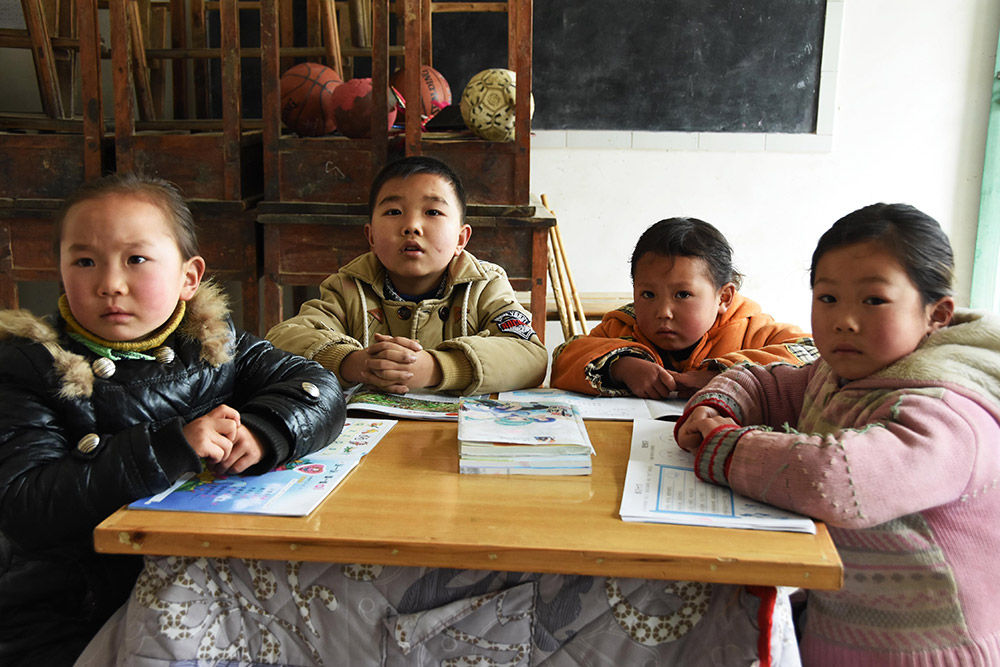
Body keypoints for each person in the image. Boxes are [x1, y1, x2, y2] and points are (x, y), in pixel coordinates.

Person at [0, 173, 346, 667]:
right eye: (84, 261)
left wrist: (268, 429)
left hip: (208, 589)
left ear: (189, 277)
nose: (110, 284)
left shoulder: (210, 343)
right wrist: (170, 446)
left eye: (136, 259)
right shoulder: (33, 366)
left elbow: (315, 383)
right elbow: (25, 504)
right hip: (77, 613)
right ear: (60, 272)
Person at [675, 203, 1000, 665]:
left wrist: (723, 445)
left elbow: (836, 479)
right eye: (827, 299)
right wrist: (714, 405)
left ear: (938, 315)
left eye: (873, 301)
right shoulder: (839, 372)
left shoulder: (952, 411)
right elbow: (765, 382)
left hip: (923, 648)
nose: (844, 320)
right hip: (835, 626)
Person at [266, 155, 548, 395]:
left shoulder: (485, 286)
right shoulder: (348, 287)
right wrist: (352, 362)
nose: (412, 226)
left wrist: (438, 368)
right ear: (371, 236)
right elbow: (281, 340)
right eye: (394, 211)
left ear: (461, 238)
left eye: (433, 212)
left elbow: (531, 357)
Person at [550, 217, 815, 398]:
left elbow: (813, 356)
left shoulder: (753, 330)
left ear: (723, 298)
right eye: (648, 294)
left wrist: (723, 373)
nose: (663, 311)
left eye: (683, 294)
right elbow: (565, 357)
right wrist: (621, 366)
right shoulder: (622, 327)